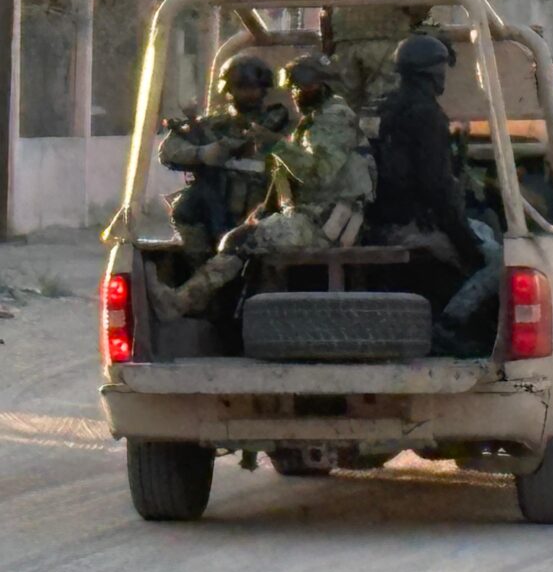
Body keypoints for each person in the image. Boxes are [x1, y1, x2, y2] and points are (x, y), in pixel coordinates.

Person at [147, 55, 376, 320]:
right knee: (201, 214)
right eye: (294, 88)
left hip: (325, 220)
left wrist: (274, 144)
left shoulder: (330, 118)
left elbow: (318, 171)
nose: (297, 94)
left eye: (304, 87)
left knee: (243, 240)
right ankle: (196, 299)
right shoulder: (311, 121)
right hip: (305, 214)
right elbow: (288, 179)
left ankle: (181, 302)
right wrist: (203, 153)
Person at [368, 34, 500, 355]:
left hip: (378, 220)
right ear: (431, 72)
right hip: (412, 225)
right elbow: (436, 187)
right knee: (498, 260)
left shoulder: (384, 108)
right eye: (441, 69)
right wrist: (465, 240)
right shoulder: (426, 115)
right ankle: (449, 327)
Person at [159, 55, 289, 267]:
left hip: (264, 218)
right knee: (186, 206)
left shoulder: (280, 127)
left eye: (254, 88)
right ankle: (202, 266)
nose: (249, 94)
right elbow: (169, 150)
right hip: (215, 219)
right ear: (228, 90)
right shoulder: (212, 126)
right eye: (241, 87)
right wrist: (201, 153)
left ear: (264, 90)